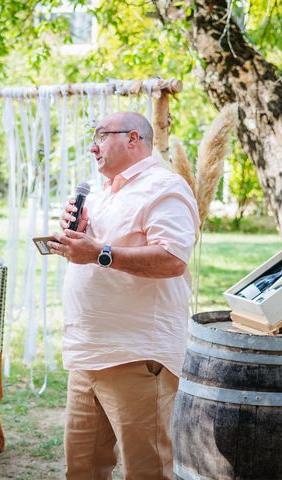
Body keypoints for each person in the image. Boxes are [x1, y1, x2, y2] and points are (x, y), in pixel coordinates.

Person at [48, 112, 200, 480]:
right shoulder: (100, 193)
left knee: (145, 471)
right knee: (82, 468)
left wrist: (100, 252)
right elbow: (97, 250)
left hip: (135, 355)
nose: (92, 145)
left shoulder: (165, 187)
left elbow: (172, 259)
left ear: (133, 139)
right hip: (87, 356)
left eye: (101, 135)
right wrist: (80, 235)